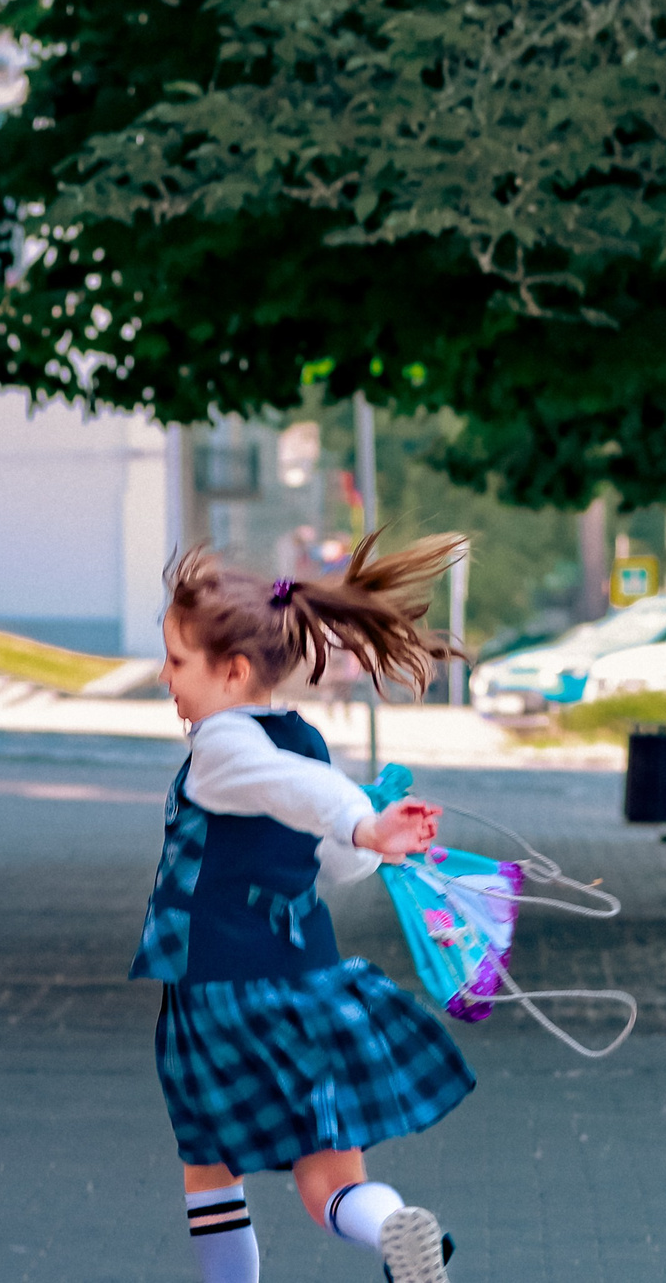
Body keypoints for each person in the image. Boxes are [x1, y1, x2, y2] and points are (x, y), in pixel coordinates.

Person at [138, 535, 470, 1283]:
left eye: (177, 661)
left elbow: (304, 798)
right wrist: (371, 840)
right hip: (310, 986)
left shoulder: (225, 744)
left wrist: (363, 823)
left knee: (210, 1169)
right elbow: (330, 852)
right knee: (329, 1181)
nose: (166, 677)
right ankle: (391, 1224)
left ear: (233, 670)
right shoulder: (303, 738)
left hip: (223, 991)